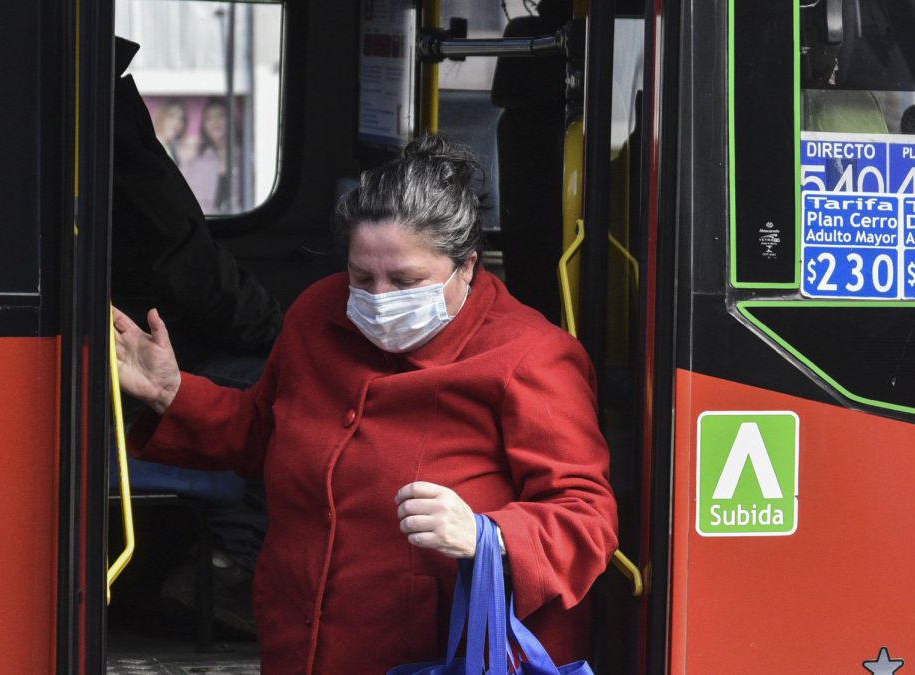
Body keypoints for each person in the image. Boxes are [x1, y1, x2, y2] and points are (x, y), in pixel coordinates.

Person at [114, 135, 619, 673]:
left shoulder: (532, 356)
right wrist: (173, 393)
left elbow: (586, 518)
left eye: (405, 281)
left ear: (467, 267)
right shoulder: (318, 314)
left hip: (438, 651)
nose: (379, 299)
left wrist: (484, 535)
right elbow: (264, 430)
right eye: (362, 277)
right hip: (300, 641)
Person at [113, 37, 282, 633]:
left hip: (124, 346)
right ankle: (230, 565)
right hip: (116, 366)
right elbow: (184, 263)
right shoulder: (103, 124)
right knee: (288, 389)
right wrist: (278, 331)